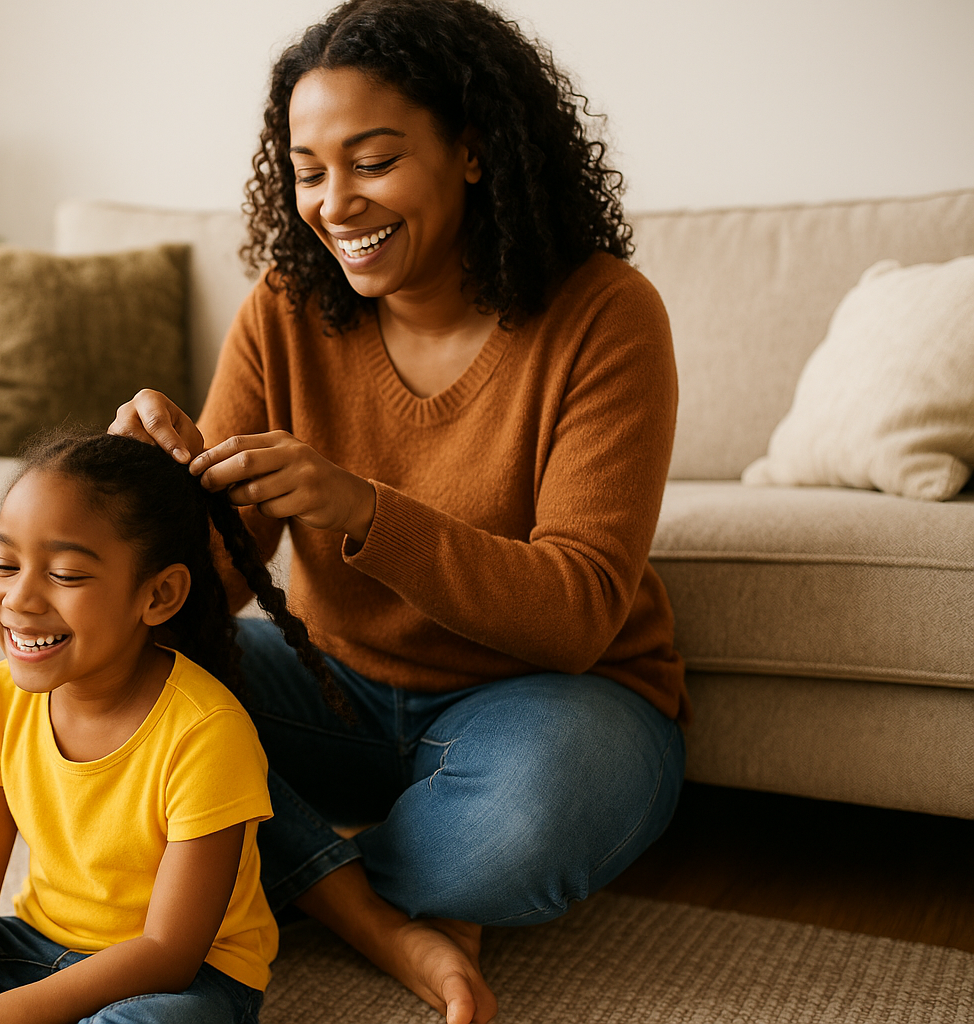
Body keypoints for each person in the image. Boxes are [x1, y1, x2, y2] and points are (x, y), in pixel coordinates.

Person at [110, 1, 689, 1022]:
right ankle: (393, 917)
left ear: (471, 150)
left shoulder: (604, 314)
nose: (335, 203)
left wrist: (361, 508)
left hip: (552, 702)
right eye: (309, 170)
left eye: (372, 161)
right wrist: (151, 493)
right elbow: (223, 581)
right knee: (104, 689)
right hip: (337, 688)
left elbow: (578, 611)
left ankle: (260, 870)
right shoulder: (284, 309)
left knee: (519, 826)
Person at [0, 430, 345, 1024]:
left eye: (66, 575)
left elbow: (169, 953)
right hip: (38, 947)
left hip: (184, 980)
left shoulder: (208, 731)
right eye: (4, 564)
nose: (19, 598)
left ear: (159, 595)